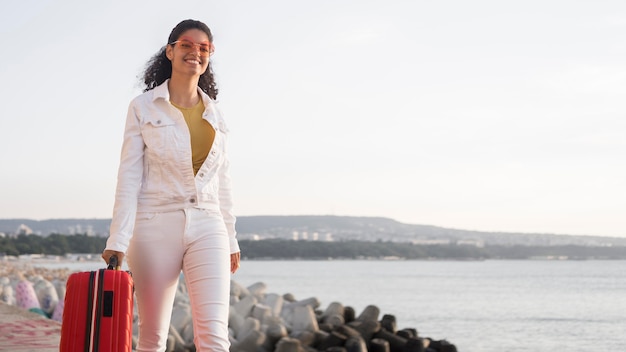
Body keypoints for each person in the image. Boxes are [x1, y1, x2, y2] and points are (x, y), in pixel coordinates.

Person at [102, 19, 240, 352]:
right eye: (187, 45)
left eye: (204, 48)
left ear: (210, 55)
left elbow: (222, 180)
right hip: (154, 224)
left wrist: (232, 237)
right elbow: (129, 176)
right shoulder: (143, 107)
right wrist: (117, 239)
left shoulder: (216, 114)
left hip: (209, 224)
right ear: (170, 50)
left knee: (215, 337)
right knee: (151, 337)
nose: (195, 52)